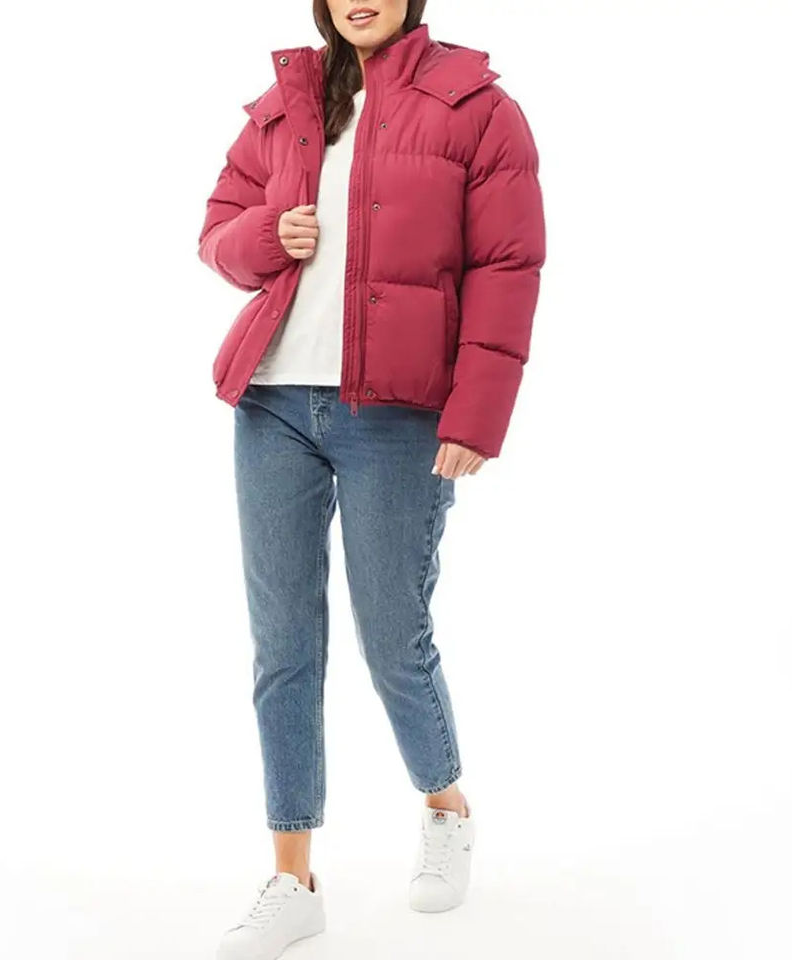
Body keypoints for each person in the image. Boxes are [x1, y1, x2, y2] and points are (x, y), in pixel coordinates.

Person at [196, 2, 545, 956]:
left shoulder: (478, 107)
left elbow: (508, 266)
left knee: (393, 637)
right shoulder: (289, 99)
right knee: (282, 646)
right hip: (273, 402)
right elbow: (218, 231)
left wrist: (476, 415)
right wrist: (267, 235)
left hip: (397, 415)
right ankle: (292, 877)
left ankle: (445, 808)